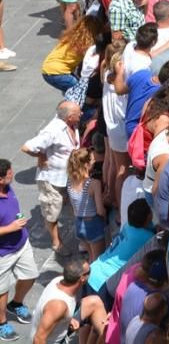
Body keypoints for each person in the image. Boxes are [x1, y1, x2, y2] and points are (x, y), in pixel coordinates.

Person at [20, 101, 82, 251]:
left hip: (66, 176)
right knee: (51, 212)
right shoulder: (53, 131)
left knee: (63, 204)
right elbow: (26, 147)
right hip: (51, 179)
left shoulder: (72, 125)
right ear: (69, 117)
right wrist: (40, 155)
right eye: (78, 113)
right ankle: (56, 243)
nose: (82, 114)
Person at [0, 158, 37, 341]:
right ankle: (2, 323)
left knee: (30, 275)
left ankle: (16, 303)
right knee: (2, 290)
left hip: (22, 244)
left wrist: (19, 221)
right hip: (3, 253)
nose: (12, 174)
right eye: (9, 173)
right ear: (0, 179)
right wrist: (11, 227)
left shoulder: (8, 188)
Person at [30, 257, 107, 344]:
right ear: (82, 278)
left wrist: (67, 319)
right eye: (89, 271)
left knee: (94, 302)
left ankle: (109, 340)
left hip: (61, 325)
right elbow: (39, 338)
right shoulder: (58, 306)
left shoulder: (59, 280)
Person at [65, 148, 106, 262]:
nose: (94, 162)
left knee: (91, 256)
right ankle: (91, 279)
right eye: (92, 160)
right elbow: (100, 211)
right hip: (93, 224)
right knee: (98, 260)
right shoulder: (94, 183)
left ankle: (87, 276)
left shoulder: (70, 181)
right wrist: (105, 215)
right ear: (87, 165)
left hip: (78, 223)